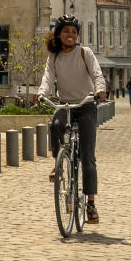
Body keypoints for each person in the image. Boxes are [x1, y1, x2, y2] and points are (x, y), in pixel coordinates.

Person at [34, 15, 106, 224]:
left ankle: (91, 204)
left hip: (85, 105)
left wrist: (100, 89)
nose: (71, 35)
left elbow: (97, 73)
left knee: (88, 155)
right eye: (66, 31)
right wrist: (41, 93)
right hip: (65, 105)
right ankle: (59, 162)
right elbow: (48, 78)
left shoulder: (85, 53)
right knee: (55, 126)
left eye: (74, 32)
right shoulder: (54, 57)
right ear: (58, 34)